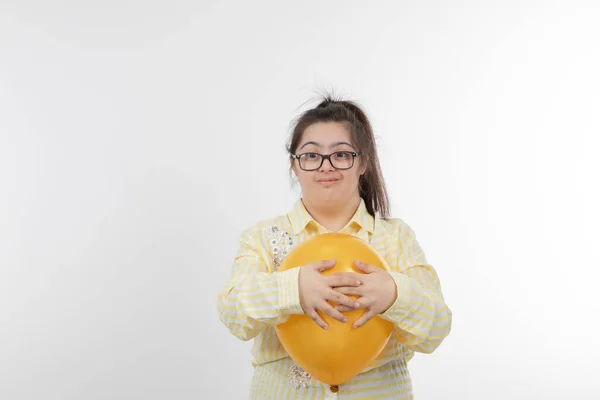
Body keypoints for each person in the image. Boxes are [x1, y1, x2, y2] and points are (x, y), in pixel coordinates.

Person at [216, 95, 452, 399]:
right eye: (311, 155)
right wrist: (292, 290)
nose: (326, 166)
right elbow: (233, 314)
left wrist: (395, 295)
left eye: (341, 154)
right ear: (294, 165)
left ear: (363, 162)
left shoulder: (395, 238)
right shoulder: (262, 237)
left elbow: (436, 331)